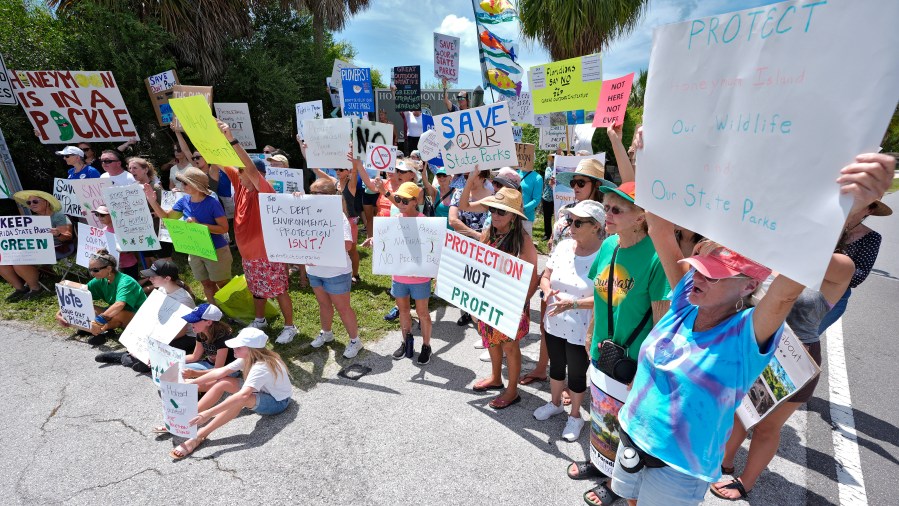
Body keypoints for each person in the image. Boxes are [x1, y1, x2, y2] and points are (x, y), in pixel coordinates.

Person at [596, 153, 892, 506]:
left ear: (747, 287)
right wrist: (651, 156)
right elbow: (658, 225)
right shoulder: (684, 301)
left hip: (678, 467)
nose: (698, 276)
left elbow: (784, 294)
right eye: (698, 268)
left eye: (713, 274)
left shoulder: (746, 336)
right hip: (631, 433)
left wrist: (847, 206)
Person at [574, 181, 670, 504]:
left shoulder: (656, 258)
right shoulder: (608, 246)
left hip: (632, 365)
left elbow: (662, 324)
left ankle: (616, 484)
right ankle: (597, 462)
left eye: (617, 209)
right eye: (606, 207)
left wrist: (646, 371)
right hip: (602, 353)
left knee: (624, 428)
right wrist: (590, 334)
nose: (608, 215)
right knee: (601, 413)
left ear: (641, 216)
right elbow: (600, 299)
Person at [521, 157, 613, 386]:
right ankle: (545, 369)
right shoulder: (564, 210)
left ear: (596, 186)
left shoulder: (605, 220)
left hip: (584, 285)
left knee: (578, 338)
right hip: (558, 273)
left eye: (581, 183)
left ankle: (572, 386)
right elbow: (556, 238)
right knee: (548, 327)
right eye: (573, 182)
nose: (575, 187)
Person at [217, 121, 298, 344]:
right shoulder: (241, 184)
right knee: (257, 290)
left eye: (243, 172)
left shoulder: (266, 191)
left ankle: (290, 326)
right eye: (240, 173)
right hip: (248, 255)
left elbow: (250, 169)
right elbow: (223, 162)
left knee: (279, 289)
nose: (239, 175)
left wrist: (232, 139)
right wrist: (210, 135)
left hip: (267, 254)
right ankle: (260, 319)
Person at [533, 200, 605, 441]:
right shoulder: (563, 246)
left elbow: (605, 297)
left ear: (596, 226)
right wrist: (546, 290)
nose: (570, 226)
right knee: (556, 365)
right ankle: (555, 403)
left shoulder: (605, 253)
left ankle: (575, 416)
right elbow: (546, 276)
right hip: (555, 319)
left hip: (582, 326)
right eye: (569, 220)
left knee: (576, 372)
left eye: (578, 222)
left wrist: (573, 304)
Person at [466, 184, 538, 408]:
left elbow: (532, 277)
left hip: (511, 302)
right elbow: (478, 263)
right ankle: (496, 378)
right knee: (491, 340)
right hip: (489, 298)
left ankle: (512, 390)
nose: (495, 215)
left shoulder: (523, 241)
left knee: (509, 346)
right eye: (493, 210)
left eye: (501, 211)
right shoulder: (489, 232)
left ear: (514, 217)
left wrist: (519, 304)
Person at [170, 328, 292, 459]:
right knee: (223, 382)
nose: (233, 348)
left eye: (238, 346)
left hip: (278, 402)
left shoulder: (261, 367)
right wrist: (192, 382)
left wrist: (209, 413)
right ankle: (187, 417)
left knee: (241, 399)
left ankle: (199, 436)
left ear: (251, 349)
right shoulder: (249, 357)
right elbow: (220, 372)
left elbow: (243, 396)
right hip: (262, 391)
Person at [364, 181, 434, 364]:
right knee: (403, 311)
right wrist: (373, 240)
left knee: (422, 313)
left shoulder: (424, 222)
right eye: (398, 199)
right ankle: (406, 341)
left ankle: (426, 346)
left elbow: (433, 249)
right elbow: (385, 241)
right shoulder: (394, 221)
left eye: (404, 200)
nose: (400, 203)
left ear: (414, 201)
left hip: (420, 278)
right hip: (398, 276)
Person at [144, 167, 232, 305]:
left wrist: (200, 225)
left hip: (217, 250)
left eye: (185, 183)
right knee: (206, 283)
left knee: (222, 283)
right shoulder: (184, 200)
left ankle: (234, 311)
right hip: (196, 249)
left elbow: (224, 228)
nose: (181, 186)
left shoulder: (212, 203)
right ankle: (213, 310)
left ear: (196, 186)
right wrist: (152, 201)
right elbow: (167, 217)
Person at [303, 177, 364, 359]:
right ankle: (327, 332)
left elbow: (347, 245)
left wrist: (320, 248)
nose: (313, 197)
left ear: (330, 196)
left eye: (317, 193)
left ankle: (355, 341)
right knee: (323, 304)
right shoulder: (305, 213)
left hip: (336, 272)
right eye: (311, 193)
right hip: (314, 271)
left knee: (343, 308)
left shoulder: (339, 217)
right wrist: (295, 200)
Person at [816, 199, 890, 333]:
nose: (850, 205)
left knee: (803, 340)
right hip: (805, 287)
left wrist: (834, 269)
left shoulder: (872, 237)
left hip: (835, 297)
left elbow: (859, 275)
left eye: (858, 202)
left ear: (869, 210)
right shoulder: (826, 224)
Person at [72, 250, 148, 372]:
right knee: (90, 307)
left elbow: (119, 305)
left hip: (140, 318)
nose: (92, 273)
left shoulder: (125, 281)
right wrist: (62, 312)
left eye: (95, 270)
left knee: (116, 312)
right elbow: (80, 294)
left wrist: (99, 320)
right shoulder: (100, 280)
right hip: (119, 315)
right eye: (90, 270)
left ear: (108, 268)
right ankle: (100, 330)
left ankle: (99, 329)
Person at [2, 191, 74, 300]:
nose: (31, 204)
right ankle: (20, 288)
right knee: (2, 260)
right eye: (29, 202)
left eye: (35, 201)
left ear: (46, 202)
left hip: (58, 248)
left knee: (20, 260)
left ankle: (35, 288)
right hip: (35, 248)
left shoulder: (58, 216)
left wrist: (58, 233)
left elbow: (68, 236)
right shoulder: (32, 219)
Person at [450, 168, 493, 327]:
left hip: (484, 247)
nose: (468, 179)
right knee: (465, 279)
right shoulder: (458, 193)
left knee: (481, 281)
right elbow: (453, 220)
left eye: (472, 176)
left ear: (482, 177)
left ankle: (481, 317)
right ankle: (468, 311)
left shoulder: (492, 196)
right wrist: (475, 235)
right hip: (463, 246)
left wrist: (483, 238)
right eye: (467, 176)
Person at [140, 259, 197, 351]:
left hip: (186, 337)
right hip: (167, 329)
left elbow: (181, 332)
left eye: (154, 276)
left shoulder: (183, 300)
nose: (150, 279)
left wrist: (158, 339)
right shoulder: (162, 289)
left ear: (167, 278)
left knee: (150, 351)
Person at [127, 157, 174, 262]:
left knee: (165, 263)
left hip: (160, 232)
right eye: (130, 168)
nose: (131, 170)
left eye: (135, 167)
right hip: (144, 232)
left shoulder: (156, 187)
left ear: (145, 170)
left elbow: (166, 212)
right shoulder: (133, 188)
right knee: (150, 261)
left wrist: (149, 215)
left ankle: (172, 279)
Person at [180, 303, 236, 374]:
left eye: (195, 321)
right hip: (209, 365)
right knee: (178, 369)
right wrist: (174, 360)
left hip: (226, 370)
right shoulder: (201, 333)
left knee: (205, 382)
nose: (191, 323)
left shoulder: (222, 338)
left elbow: (218, 369)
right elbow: (194, 356)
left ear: (209, 322)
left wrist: (195, 373)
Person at [90, 206, 140, 280]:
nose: (100, 217)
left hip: (128, 265)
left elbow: (132, 246)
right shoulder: (102, 231)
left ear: (112, 215)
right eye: (97, 215)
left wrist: (119, 249)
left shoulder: (122, 229)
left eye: (102, 215)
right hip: (113, 267)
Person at [517, 161, 544, 237]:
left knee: (524, 243)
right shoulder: (515, 173)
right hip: (512, 215)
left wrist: (523, 209)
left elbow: (536, 200)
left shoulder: (537, 178)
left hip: (526, 217)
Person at [541, 153, 556, 240]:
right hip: (547, 196)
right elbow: (547, 179)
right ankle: (547, 233)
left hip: (558, 197)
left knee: (557, 216)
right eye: (552, 158)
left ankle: (556, 234)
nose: (552, 160)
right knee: (547, 216)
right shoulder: (548, 168)